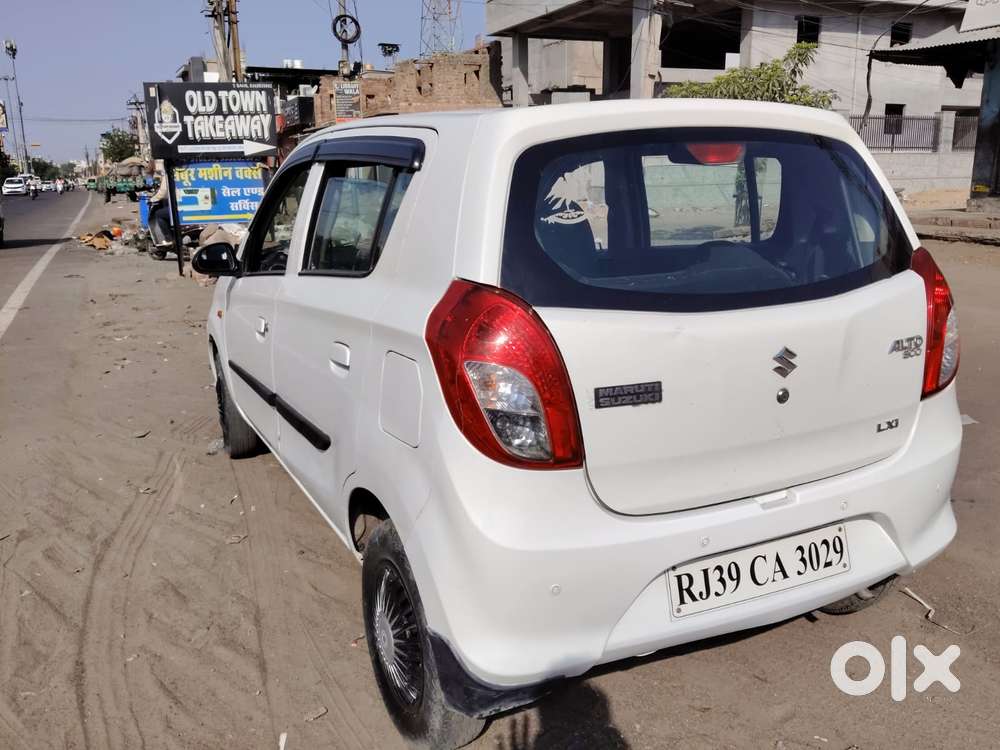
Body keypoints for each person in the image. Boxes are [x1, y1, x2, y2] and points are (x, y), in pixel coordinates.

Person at [147, 169, 173, 250]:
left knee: (159, 214)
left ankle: (169, 238)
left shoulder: (169, 172)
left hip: (181, 208)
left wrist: (152, 199)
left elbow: (163, 191)